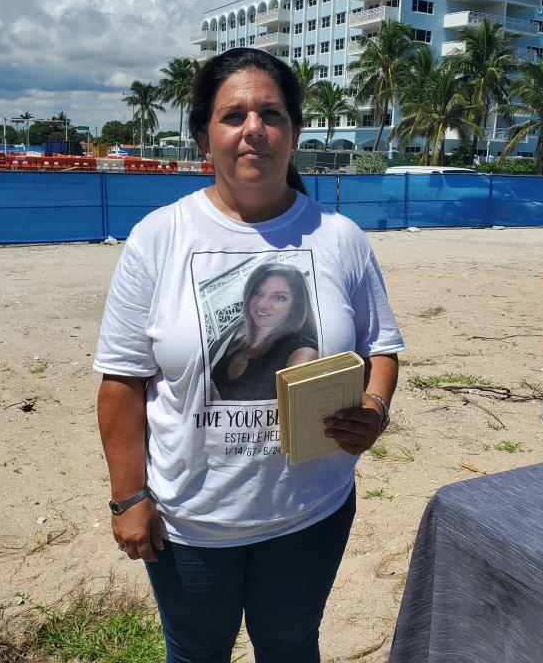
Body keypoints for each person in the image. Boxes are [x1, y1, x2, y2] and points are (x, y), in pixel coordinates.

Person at [94, 47, 403, 663]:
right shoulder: (160, 236)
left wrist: (372, 407)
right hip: (191, 520)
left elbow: (382, 346)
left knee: (290, 646)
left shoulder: (339, 238)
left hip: (311, 509)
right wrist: (129, 498)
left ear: (293, 133)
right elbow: (122, 381)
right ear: (205, 136)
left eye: (271, 113)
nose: (253, 129)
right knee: (196, 651)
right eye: (233, 115)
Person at [211, 261, 318, 401]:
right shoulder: (238, 335)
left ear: (295, 306)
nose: (261, 304)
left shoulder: (303, 352)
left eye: (279, 297)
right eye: (257, 293)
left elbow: (299, 412)